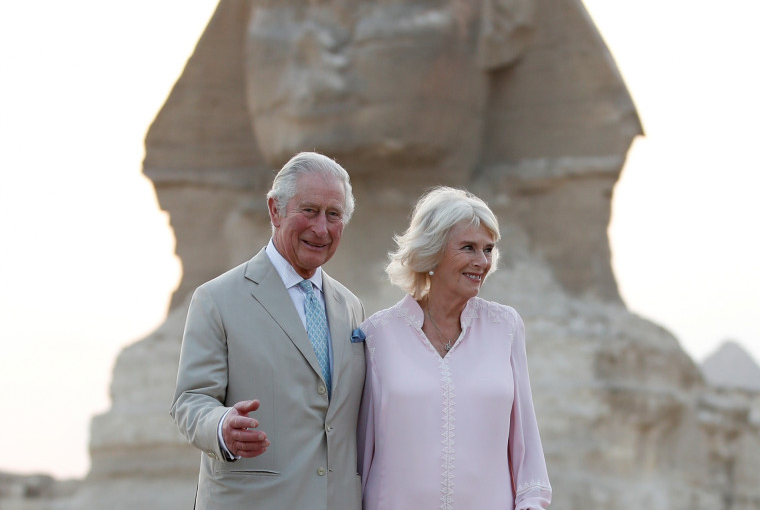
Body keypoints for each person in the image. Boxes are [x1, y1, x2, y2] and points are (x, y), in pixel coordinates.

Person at [170, 152, 367, 509]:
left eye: (333, 215)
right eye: (308, 210)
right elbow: (190, 400)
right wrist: (222, 427)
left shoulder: (351, 307)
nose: (321, 228)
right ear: (275, 210)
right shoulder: (217, 299)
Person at [357, 187, 552, 509]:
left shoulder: (505, 327)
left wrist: (532, 501)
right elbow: (361, 451)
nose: (482, 262)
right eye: (468, 248)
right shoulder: (377, 335)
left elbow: (525, 436)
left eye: (488, 250)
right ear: (431, 252)